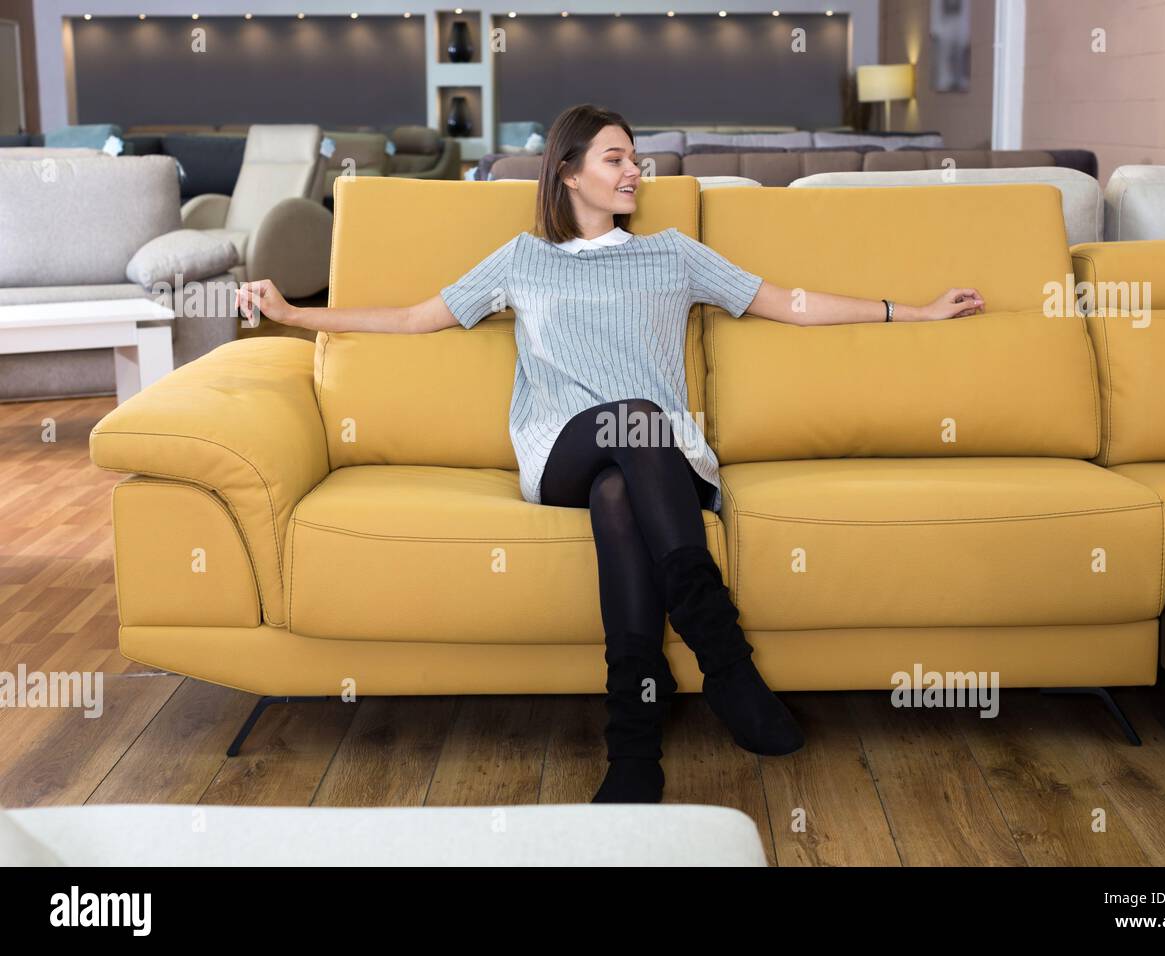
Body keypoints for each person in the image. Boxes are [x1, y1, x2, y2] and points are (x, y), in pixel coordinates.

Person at [237, 103, 984, 805]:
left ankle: (633, 742)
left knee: (620, 493)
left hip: (660, 463)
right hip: (561, 448)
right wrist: (293, 314)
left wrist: (910, 312)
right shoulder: (523, 260)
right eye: (616, 158)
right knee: (633, 420)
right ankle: (726, 664)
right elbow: (411, 318)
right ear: (568, 172)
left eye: (637, 159)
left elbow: (788, 302)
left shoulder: (672, 255)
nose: (635, 171)